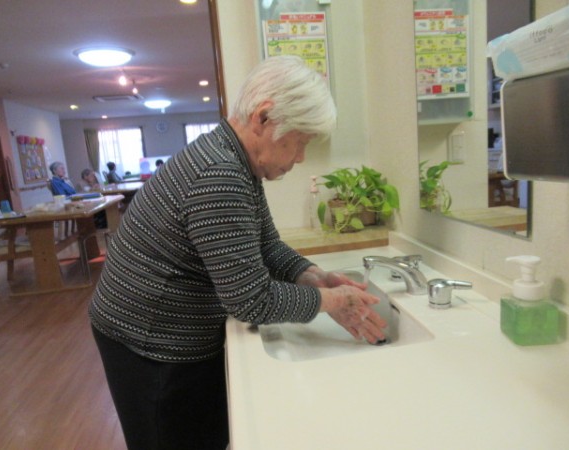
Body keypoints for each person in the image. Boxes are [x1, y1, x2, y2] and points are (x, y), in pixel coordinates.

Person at [89, 55, 386, 450]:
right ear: (264, 117)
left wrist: (315, 276)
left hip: (159, 328)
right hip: (150, 342)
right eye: (301, 142)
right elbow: (252, 301)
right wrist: (333, 301)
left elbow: (267, 245)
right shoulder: (220, 173)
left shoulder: (234, 159)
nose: (300, 157)